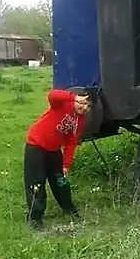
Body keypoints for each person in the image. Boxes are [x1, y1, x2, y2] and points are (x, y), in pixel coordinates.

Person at [23, 89, 90, 230]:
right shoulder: (61, 105)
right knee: (36, 183)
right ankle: (35, 218)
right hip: (36, 146)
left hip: (54, 151)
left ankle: (70, 209)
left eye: (88, 105)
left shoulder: (80, 120)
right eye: (81, 103)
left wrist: (66, 164)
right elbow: (51, 95)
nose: (84, 108)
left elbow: (71, 142)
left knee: (60, 181)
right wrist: (72, 97)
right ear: (75, 100)